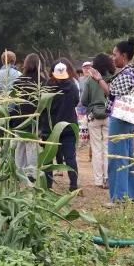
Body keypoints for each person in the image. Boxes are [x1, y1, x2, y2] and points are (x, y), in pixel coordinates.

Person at [90, 37, 134, 206]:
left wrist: (99, 79)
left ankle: (119, 197)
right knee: (128, 157)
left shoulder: (126, 74)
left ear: (124, 56)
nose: (113, 58)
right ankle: (132, 194)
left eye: (115, 54)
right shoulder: (132, 72)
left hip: (120, 119)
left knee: (117, 158)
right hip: (129, 119)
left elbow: (112, 93)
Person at [40, 62, 80, 191]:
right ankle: (73, 185)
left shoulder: (47, 89)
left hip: (50, 129)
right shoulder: (73, 87)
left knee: (48, 158)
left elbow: (42, 109)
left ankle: (48, 185)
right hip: (68, 127)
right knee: (70, 158)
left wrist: (41, 129)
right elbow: (75, 102)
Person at [81, 54, 114, 189]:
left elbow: (84, 100)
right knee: (107, 147)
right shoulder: (112, 78)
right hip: (108, 115)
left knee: (96, 149)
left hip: (94, 116)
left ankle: (98, 180)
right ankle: (107, 178)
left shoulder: (90, 80)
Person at [12, 53, 44, 182]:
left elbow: (13, 101)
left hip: (20, 120)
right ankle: (32, 174)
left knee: (20, 147)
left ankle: (19, 171)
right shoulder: (42, 81)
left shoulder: (19, 81)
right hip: (35, 121)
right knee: (32, 148)